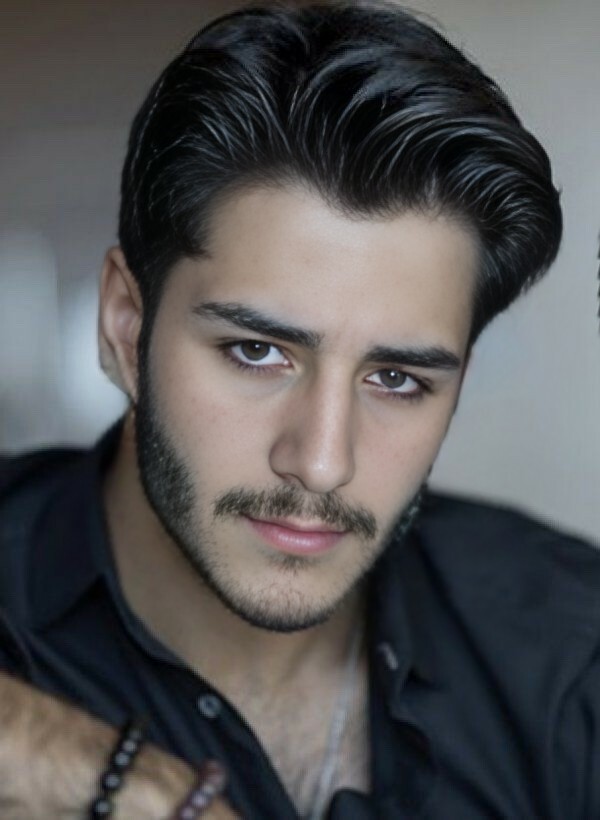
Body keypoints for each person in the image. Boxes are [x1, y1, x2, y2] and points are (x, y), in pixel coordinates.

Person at [0, 2, 597, 818]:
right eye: (257, 352)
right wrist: (117, 782)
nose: (321, 462)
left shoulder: (570, 646)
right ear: (126, 328)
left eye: (397, 378)